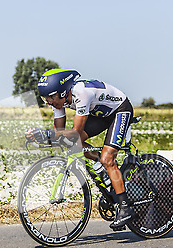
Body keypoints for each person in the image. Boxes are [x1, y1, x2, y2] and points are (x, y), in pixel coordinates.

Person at [25, 69, 135, 230]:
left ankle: (126, 207)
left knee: (107, 159)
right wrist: (42, 137)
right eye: (45, 98)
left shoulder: (81, 93)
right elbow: (60, 135)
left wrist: (46, 134)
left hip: (119, 110)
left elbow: (75, 132)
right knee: (70, 143)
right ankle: (101, 169)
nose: (48, 101)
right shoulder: (58, 100)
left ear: (62, 92)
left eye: (51, 97)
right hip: (100, 114)